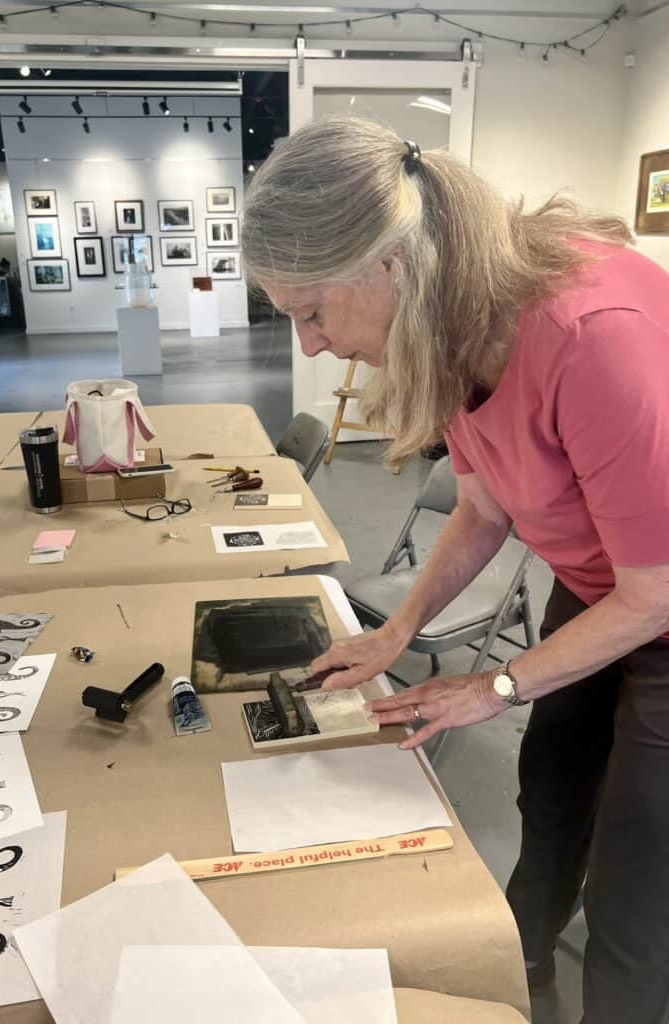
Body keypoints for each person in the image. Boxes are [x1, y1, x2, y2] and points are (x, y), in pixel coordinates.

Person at [241, 116, 669, 1024]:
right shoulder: (452, 329)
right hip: (604, 586)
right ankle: (520, 982)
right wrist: (394, 633)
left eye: (312, 312)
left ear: (391, 264)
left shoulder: (590, 335)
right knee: (551, 791)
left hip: (658, 593)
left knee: (641, 871)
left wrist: (499, 683)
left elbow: (657, 593)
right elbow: (483, 508)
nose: (309, 346)